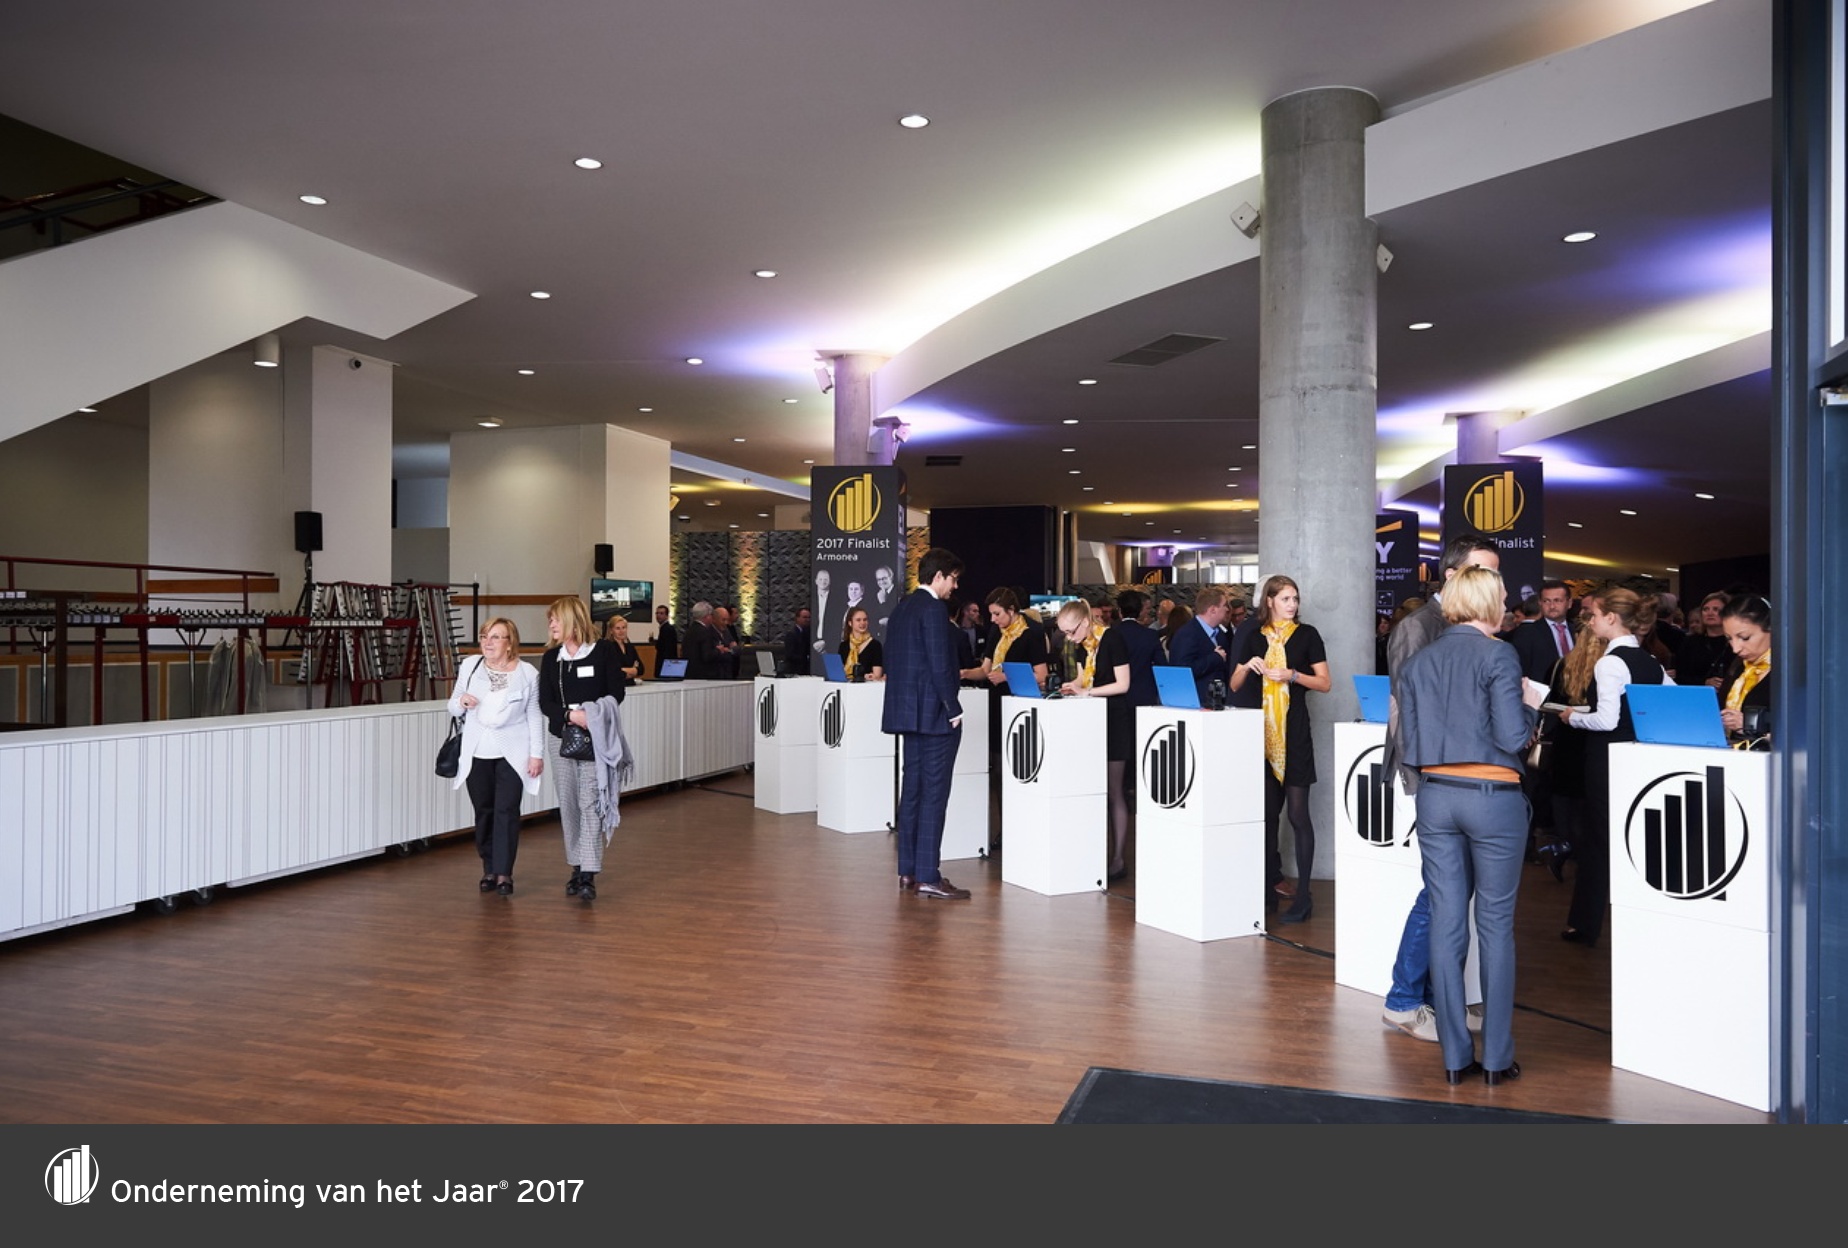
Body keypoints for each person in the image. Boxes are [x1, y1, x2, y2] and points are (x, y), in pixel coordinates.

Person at [1396, 565, 1545, 1086]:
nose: (1507, 605)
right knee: (1495, 925)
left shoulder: (1420, 661)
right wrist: (1530, 707)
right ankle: (1497, 1059)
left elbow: (1410, 744)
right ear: (1486, 602)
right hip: (1491, 798)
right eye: (1502, 597)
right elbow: (1513, 736)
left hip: (1436, 797)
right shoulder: (1498, 654)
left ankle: (1455, 1056)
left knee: (1446, 922)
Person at [1380, 532, 1501, 1041]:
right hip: (1438, 781)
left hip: (1465, 780)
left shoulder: (1466, 626)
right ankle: (1405, 1000)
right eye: (1483, 571)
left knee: (1450, 895)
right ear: (1452, 575)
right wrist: (1424, 782)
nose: (1493, 582)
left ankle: (1435, 998)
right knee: (1439, 893)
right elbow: (1407, 711)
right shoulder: (1418, 627)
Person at [1557, 585, 1670, 946]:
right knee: (1630, 838)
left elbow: (1606, 720)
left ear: (1611, 617)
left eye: (1593, 615)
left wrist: (1573, 717)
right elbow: (1664, 701)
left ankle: (1585, 924)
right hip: (1637, 760)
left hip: (1606, 761)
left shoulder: (1609, 662)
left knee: (1598, 841)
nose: (1589, 621)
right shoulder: (1650, 662)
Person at [1230, 575, 1332, 923]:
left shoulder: (1307, 635)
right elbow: (1234, 684)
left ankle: (1303, 896)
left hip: (1296, 733)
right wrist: (1248, 666)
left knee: (1298, 816)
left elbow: (1325, 683)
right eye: (1286, 598)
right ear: (1270, 601)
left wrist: (1292, 676)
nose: (1292, 604)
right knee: (1267, 816)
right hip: (1262, 734)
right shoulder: (1254, 637)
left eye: (1295, 599)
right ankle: (1264, 891)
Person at [882, 547, 970, 899]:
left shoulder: (902, 608)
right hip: (934, 715)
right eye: (953, 580)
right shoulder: (933, 609)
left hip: (907, 714)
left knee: (912, 791)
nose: (954, 587)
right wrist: (952, 707)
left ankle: (909, 871)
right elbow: (939, 663)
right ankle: (929, 875)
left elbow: (894, 660)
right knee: (934, 794)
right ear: (938, 576)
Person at [537, 595, 628, 902]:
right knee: (569, 802)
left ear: (571, 620)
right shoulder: (552, 658)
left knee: (590, 800)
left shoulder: (603, 651)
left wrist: (591, 713)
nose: (551, 625)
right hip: (560, 737)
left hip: (594, 738)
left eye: (555, 619)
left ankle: (588, 872)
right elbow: (545, 702)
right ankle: (575, 865)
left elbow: (616, 692)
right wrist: (569, 716)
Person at [448, 616, 544, 896]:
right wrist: (461, 701)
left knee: (507, 811)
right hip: (477, 752)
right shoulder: (470, 666)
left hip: (513, 753)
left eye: (495, 637)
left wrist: (536, 754)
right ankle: (488, 867)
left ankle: (504, 873)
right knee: (484, 811)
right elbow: (453, 705)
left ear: (509, 643)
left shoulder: (527, 673)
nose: (487, 643)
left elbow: (534, 715)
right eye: (484, 637)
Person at [1056, 600, 1134, 879]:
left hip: (1114, 719)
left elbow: (1123, 684)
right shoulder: (1083, 645)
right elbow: (1083, 679)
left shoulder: (1112, 639)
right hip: (1090, 720)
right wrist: (1073, 687)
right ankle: (1092, 852)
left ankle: (1118, 858)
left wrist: (1087, 692)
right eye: (1065, 633)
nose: (1069, 638)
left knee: (1115, 790)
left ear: (1086, 622)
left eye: (1071, 631)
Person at [979, 587, 1049, 751]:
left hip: (1019, 702)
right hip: (995, 698)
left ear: (1011, 610)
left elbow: (1041, 675)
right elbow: (985, 669)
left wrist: (1005, 676)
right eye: (991, 614)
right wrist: (963, 673)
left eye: (997, 614)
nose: (993, 619)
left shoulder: (1032, 632)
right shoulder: (996, 630)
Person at [1718, 593, 1772, 747]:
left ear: (1772, 629)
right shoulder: (1739, 667)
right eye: (1729, 639)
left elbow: (1805, 731)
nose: (1735, 648)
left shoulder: (1794, 672)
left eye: (1745, 637)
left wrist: (1749, 726)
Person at [1168, 586, 1230, 705]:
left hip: (1218, 702)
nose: (1227, 609)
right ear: (1213, 610)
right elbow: (1183, 670)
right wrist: (1215, 658)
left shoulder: (1220, 634)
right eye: (1224, 605)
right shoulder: (1187, 634)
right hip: (1195, 703)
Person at [1676, 590, 1736, 690]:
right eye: (1705, 609)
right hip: (1698, 694)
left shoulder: (1737, 642)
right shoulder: (1690, 642)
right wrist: (1704, 682)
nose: (1710, 613)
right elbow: (1680, 676)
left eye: (1716, 609)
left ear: (1728, 613)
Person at [838, 605, 885, 681]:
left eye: (865, 620)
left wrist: (864, 677)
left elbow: (877, 675)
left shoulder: (875, 645)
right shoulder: (843, 646)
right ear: (850, 623)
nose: (862, 623)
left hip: (867, 686)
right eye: (858, 620)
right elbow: (839, 672)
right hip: (846, 686)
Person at [683, 601, 728, 680]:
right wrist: (718, 650)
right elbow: (707, 656)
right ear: (706, 616)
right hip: (703, 675)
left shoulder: (689, 630)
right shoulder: (705, 632)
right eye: (711, 615)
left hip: (689, 673)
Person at [603, 614, 646, 686]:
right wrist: (632, 670)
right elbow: (612, 671)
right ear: (611, 631)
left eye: (623, 628)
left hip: (631, 685)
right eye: (617, 628)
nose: (621, 631)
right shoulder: (607, 647)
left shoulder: (630, 647)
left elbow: (641, 669)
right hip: (615, 686)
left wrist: (623, 671)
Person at [780, 606, 813, 676]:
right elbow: (789, 654)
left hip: (806, 671)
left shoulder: (810, 633)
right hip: (794, 670)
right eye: (805, 617)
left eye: (809, 617)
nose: (807, 620)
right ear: (797, 618)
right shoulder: (792, 634)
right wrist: (805, 659)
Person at [652, 604, 679, 678]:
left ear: (667, 616)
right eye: (657, 613)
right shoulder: (665, 628)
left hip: (666, 666)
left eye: (661, 613)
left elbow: (668, 649)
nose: (658, 615)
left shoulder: (667, 629)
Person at [873, 565, 897, 635]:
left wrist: (882, 601)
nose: (881, 582)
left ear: (891, 577)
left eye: (884, 578)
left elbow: (891, 616)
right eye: (879, 579)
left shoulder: (898, 592)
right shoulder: (877, 594)